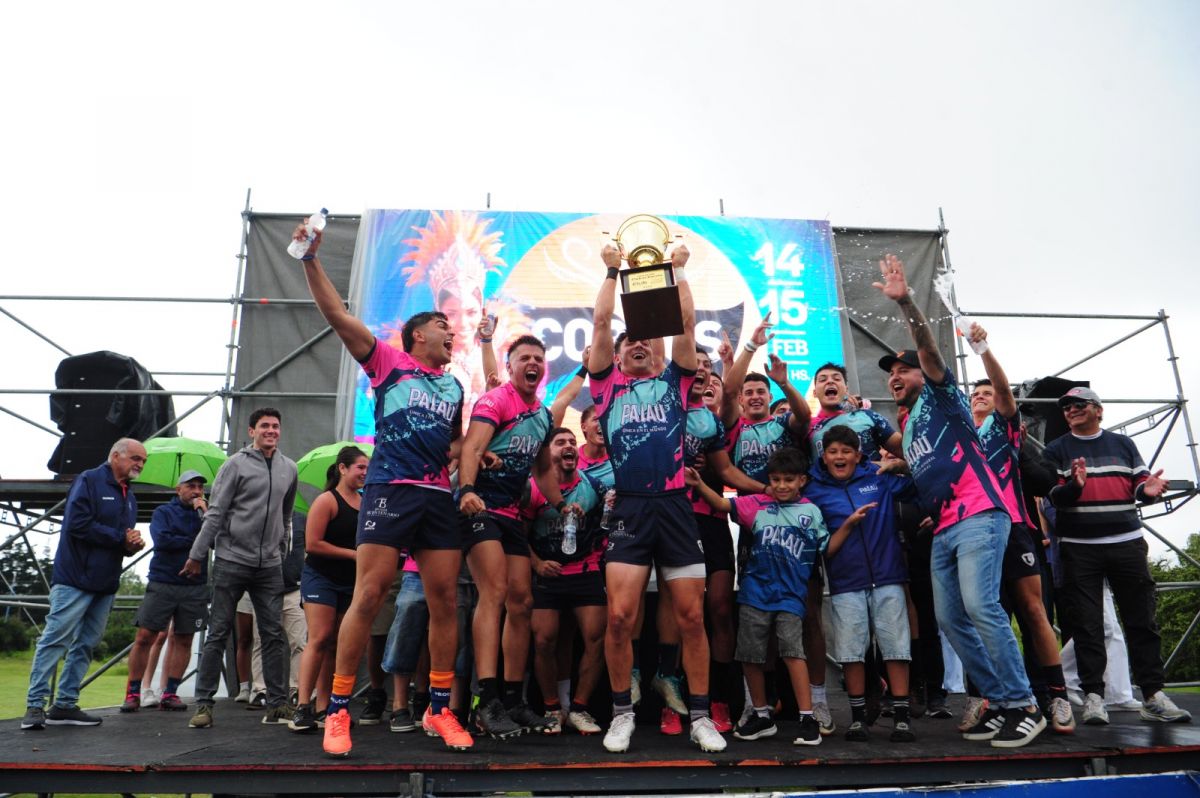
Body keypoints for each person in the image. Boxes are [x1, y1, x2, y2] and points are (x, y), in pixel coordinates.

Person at [296, 222, 472, 756]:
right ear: (418, 336)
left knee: (445, 600)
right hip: (391, 490)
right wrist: (310, 259)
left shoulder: (454, 385)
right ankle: (338, 710)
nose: (451, 333)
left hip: (436, 497)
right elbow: (337, 315)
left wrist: (467, 455)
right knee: (370, 595)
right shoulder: (387, 362)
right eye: (443, 325)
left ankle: (438, 708)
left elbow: (453, 440)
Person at [873, 253, 1045, 748]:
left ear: (923, 374)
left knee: (982, 606)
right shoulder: (910, 426)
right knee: (950, 619)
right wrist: (900, 468)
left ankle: (1024, 704)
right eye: (890, 373)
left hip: (980, 517)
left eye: (903, 370)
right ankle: (997, 700)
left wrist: (906, 303)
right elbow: (930, 469)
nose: (895, 377)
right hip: (944, 527)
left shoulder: (942, 395)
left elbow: (928, 350)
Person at [576, 241, 725, 754]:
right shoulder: (606, 390)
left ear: (658, 353)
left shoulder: (675, 383)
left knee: (691, 618)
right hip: (631, 509)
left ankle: (701, 717)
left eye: (645, 340)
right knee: (619, 618)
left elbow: (685, 323)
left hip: (676, 508)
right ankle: (622, 713)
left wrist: (678, 270)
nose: (638, 344)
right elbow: (601, 323)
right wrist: (611, 270)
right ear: (616, 357)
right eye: (629, 342)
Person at [1043, 386, 1191, 724]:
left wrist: (1149, 491)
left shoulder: (1123, 444)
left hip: (1127, 542)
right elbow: (1053, 497)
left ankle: (1153, 696)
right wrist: (1074, 486)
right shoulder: (1056, 450)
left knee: (1142, 620)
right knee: (1087, 626)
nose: (1072, 409)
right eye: (1066, 407)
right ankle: (1094, 697)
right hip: (1079, 547)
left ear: (1098, 410)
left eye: (1079, 404)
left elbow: (1141, 485)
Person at [965, 325, 1074, 735]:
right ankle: (993, 700)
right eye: (974, 394)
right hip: (972, 532)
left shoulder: (1007, 430)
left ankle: (1056, 695)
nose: (980, 396)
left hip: (1012, 528)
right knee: (984, 617)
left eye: (987, 392)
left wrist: (982, 349)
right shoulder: (958, 438)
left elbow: (1043, 480)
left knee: (1033, 610)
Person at [686, 447, 829, 747]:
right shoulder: (756, 504)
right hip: (754, 593)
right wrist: (699, 484)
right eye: (775, 480)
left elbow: (824, 548)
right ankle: (762, 714)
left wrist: (851, 525)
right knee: (750, 655)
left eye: (788, 480)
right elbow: (722, 504)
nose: (781, 486)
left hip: (790, 596)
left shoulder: (811, 511)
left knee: (793, 653)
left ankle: (807, 717)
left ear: (801, 480)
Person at [655, 346, 762, 735]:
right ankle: (671, 698)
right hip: (673, 518)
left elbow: (728, 470)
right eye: (694, 365)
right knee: (678, 606)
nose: (700, 370)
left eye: (707, 366)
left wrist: (768, 490)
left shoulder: (714, 422)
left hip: (712, 521)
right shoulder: (661, 409)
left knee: (718, 607)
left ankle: (718, 697)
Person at [458, 334, 555, 738]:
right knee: (493, 593)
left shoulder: (544, 415)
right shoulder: (495, 400)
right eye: (524, 358)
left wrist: (562, 503)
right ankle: (487, 700)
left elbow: (543, 469)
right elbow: (471, 448)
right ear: (510, 366)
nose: (532, 364)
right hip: (480, 507)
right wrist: (466, 490)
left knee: (522, 602)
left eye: (538, 359)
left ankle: (514, 700)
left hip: (513, 515)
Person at [185, 408, 299, 730]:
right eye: (264, 426)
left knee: (273, 634)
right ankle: (204, 705)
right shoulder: (234, 464)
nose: (271, 431)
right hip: (232, 560)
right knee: (218, 631)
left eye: (275, 426)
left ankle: (277, 705)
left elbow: (286, 516)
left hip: (269, 565)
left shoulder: (289, 468)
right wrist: (197, 554)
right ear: (252, 431)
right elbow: (216, 512)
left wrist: (279, 551)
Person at [22, 439, 147, 730]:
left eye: (144, 461)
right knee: (55, 640)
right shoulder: (89, 480)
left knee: (86, 645)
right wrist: (120, 538)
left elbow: (118, 540)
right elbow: (77, 524)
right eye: (136, 458)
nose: (140, 464)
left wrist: (131, 546)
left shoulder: (130, 496)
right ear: (115, 456)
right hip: (74, 578)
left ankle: (64, 705)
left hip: (105, 583)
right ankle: (35, 705)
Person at [804, 425, 918, 743]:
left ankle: (902, 719)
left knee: (896, 648)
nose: (839, 457)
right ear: (823, 457)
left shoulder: (878, 477)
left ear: (857, 455)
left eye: (846, 451)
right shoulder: (813, 491)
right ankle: (857, 719)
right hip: (846, 581)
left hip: (888, 575)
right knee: (851, 651)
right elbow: (816, 540)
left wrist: (900, 464)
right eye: (832, 451)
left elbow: (921, 481)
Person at [525, 428, 609, 736]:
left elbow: (608, 524)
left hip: (585, 571)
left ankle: (579, 708)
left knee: (596, 638)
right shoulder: (533, 487)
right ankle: (552, 708)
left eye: (572, 442)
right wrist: (537, 563)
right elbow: (518, 534)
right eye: (560, 443)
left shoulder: (593, 486)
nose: (568, 446)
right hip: (548, 575)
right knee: (545, 640)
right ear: (547, 453)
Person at [290, 447, 368, 733]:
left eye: (367, 468)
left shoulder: (365, 502)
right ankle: (302, 706)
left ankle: (325, 708)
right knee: (320, 638)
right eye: (360, 467)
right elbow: (313, 544)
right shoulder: (327, 500)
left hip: (350, 581)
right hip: (320, 577)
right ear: (342, 469)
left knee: (337, 642)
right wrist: (352, 555)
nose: (365, 473)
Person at [121, 469, 211, 714]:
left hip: (195, 585)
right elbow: (163, 540)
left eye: (200, 487)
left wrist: (205, 517)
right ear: (178, 489)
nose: (196, 491)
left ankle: (170, 693)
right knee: (145, 636)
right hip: (163, 581)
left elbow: (216, 541)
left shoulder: (208, 516)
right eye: (191, 486)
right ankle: (133, 693)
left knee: (184, 639)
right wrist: (197, 541)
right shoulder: (163, 512)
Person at [807, 362, 902, 464]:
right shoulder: (807, 427)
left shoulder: (868, 416)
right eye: (822, 380)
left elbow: (906, 451)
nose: (830, 381)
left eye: (837, 379)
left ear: (846, 389)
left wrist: (898, 465)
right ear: (814, 393)